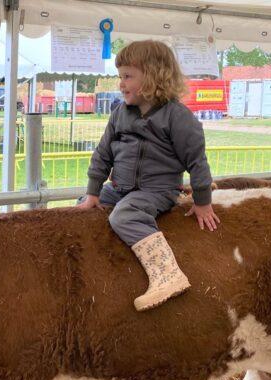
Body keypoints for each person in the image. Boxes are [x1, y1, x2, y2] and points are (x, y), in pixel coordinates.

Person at [77, 40, 219, 311]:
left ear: (154, 76)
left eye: (128, 76)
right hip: (119, 187)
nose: (121, 84)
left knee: (125, 214)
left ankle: (167, 274)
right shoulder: (120, 113)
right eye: (120, 76)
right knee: (83, 205)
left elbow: (197, 162)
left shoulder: (177, 117)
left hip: (157, 191)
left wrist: (202, 202)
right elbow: (103, 153)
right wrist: (94, 191)